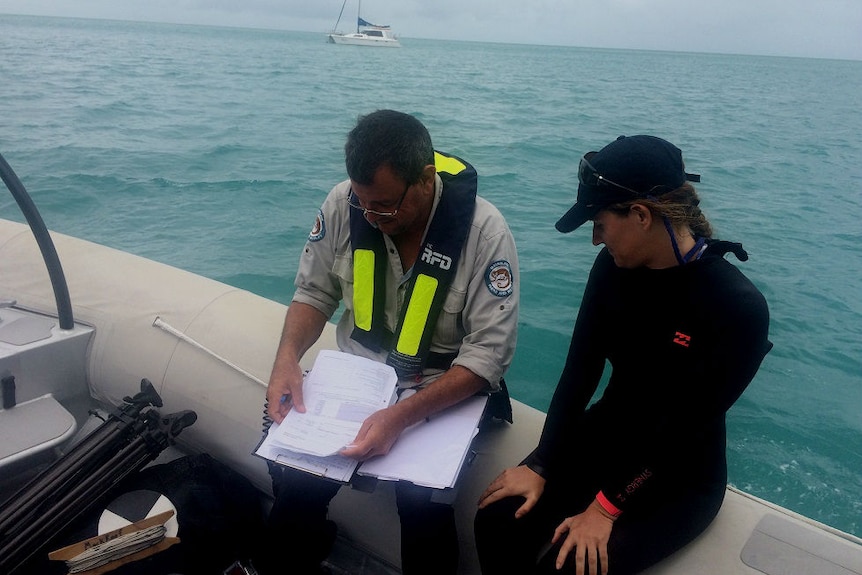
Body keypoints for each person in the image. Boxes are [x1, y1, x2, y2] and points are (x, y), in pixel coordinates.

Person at [474, 135, 772, 575]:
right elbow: (580, 372)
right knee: (496, 521)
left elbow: (685, 428)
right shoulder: (613, 269)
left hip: (680, 473)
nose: (595, 241)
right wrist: (543, 460)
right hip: (608, 435)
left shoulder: (737, 306)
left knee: (570, 566)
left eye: (599, 223)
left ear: (640, 215)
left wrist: (606, 508)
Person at [259, 109, 519, 575]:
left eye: (385, 206)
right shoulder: (346, 202)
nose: (373, 217)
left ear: (425, 178)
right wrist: (286, 361)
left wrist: (401, 416)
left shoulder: (484, 232)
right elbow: (314, 293)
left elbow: (489, 354)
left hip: (440, 387)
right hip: (359, 376)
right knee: (294, 482)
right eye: (364, 205)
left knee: (423, 508)